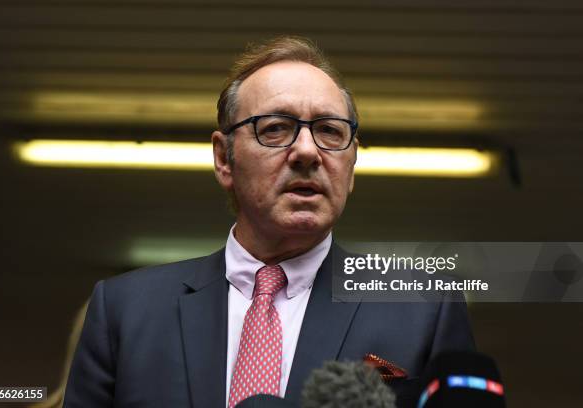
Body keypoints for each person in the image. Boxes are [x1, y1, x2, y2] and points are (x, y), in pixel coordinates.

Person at [63, 36, 474, 408]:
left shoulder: (421, 309)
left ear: (352, 164)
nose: (308, 151)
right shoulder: (126, 311)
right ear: (224, 158)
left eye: (330, 131)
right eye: (276, 129)